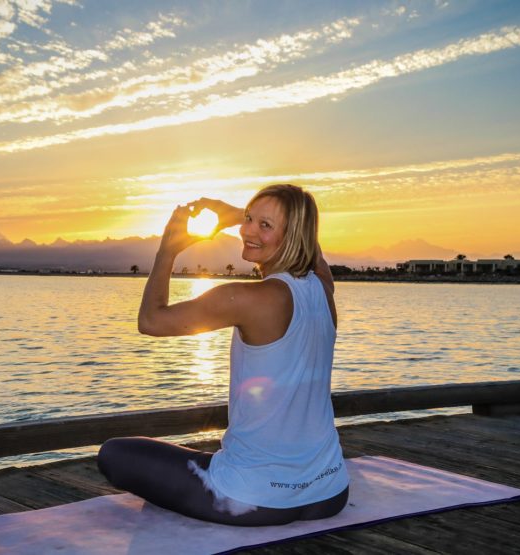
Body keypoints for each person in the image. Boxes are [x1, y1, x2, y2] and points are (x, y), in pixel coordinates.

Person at [97, 184, 349, 526]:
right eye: (248, 219)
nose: (247, 230)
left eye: (265, 225)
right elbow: (313, 251)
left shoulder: (247, 298)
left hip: (251, 499)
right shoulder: (323, 287)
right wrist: (240, 215)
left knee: (115, 453)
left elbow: (151, 321)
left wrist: (167, 250)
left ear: (292, 237)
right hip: (330, 491)